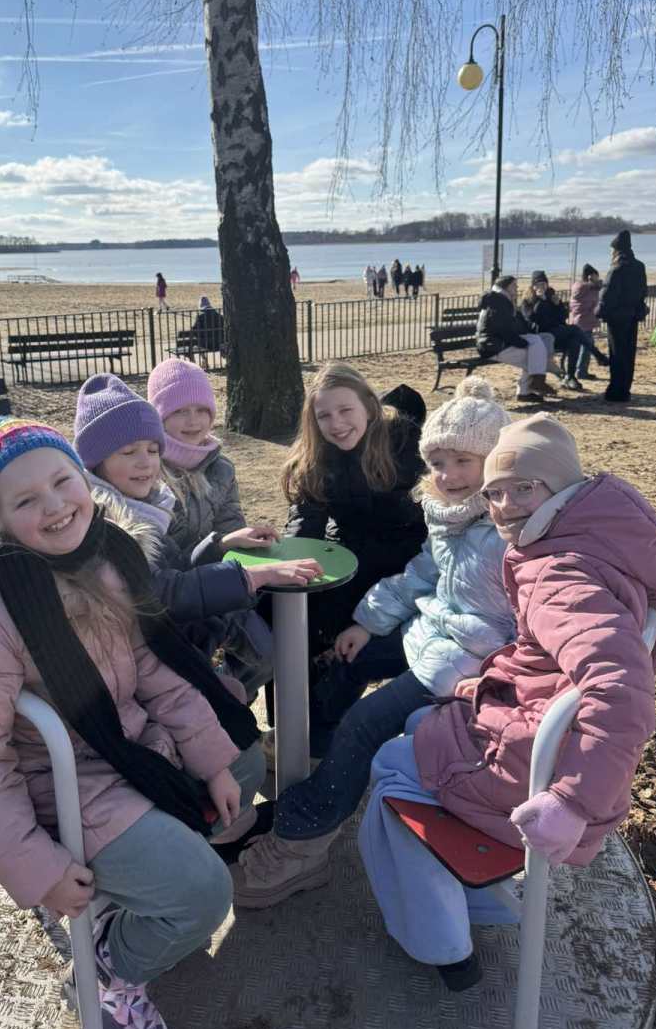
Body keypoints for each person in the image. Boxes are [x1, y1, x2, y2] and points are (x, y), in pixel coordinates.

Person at [0, 417, 269, 1029]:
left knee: (242, 763)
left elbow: (152, 666)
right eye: (26, 500)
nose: (55, 505)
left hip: (129, 748)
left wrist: (213, 760)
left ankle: (140, 894)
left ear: (84, 480)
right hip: (64, 785)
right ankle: (108, 965)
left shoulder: (105, 560)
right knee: (202, 893)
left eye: (63, 481)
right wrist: (42, 872)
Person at [358, 413, 656, 992]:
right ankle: (478, 896)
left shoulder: (558, 574)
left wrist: (571, 799)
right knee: (419, 720)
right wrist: (633, 658)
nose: (506, 506)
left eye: (523, 488)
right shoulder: (614, 532)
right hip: (538, 721)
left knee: (390, 767)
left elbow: (617, 688)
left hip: (539, 765)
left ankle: (443, 942)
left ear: (559, 486)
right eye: (494, 492)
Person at [231, 378, 516, 909]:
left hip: (470, 660)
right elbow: (422, 574)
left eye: (463, 462)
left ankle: (302, 843)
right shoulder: (452, 516)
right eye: (439, 463)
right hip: (430, 630)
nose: (448, 475)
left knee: (365, 724)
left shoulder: (513, 532)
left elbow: (532, 615)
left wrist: (510, 671)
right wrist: (365, 623)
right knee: (347, 655)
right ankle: (316, 745)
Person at [74, 373, 321, 698]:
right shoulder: (110, 523)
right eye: (129, 452)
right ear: (97, 462)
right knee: (248, 669)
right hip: (147, 659)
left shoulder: (146, 506)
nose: (145, 463)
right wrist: (251, 577)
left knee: (265, 653)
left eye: (152, 450)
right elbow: (163, 591)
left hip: (182, 626)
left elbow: (177, 566)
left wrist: (220, 544)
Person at [278, 363, 428, 752]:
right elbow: (305, 523)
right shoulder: (316, 458)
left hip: (404, 564)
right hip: (349, 558)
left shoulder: (403, 442)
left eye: (345, 410)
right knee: (293, 612)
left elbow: (433, 508)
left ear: (369, 406)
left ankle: (323, 730)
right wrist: (289, 568)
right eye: (324, 415)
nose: (337, 424)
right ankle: (291, 727)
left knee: (352, 647)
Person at [148, 357, 278, 698]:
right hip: (175, 599)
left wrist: (245, 541)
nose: (193, 421)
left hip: (220, 582)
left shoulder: (221, 469)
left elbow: (231, 523)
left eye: (201, 410)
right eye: (180, 411)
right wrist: (221, 544)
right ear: (159, 416)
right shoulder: (149, 473)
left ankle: (231, 701)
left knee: (267, 656)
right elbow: (165, 562)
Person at [476, 274, 556, 403]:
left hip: (496, 343)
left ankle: (536, 383)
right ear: (506, 287)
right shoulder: (499, 303)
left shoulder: (503, 300)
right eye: (514, 285)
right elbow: (503, 329)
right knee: (534, 355)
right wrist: (521, 342)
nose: (517, 287)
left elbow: (515, 325)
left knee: (535, 345)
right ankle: (529, 389)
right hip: (492, 347)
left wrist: (525, 337)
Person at [597, 230, 648, 403]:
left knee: (617, 353)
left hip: (617, 317)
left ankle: (616, 390)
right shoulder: (639, 266)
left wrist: (600, 312)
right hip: (633, 315)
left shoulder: (617, 269)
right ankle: (625, 389)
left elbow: (608, 295)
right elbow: (643, 291)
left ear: (616, 250)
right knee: (628, 353)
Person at [521, 272, 585, 391]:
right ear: (533, 286)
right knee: (575, 331)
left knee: (574, 341)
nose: (542, 287)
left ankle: (570, 376)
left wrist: (558, 305)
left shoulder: (551, 297)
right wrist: (540, 300)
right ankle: (564, 375)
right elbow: (532, 318)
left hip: (556, 335)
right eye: (538, 284)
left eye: (544, 284)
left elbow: (563, 317)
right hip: (540, 338)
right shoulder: (527, 301)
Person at [569, 264, 609, 380]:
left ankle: (581, 370)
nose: (598, 278)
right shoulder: (587, 288)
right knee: (587, 347)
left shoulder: (578, 287)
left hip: (578, 320)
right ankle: (581, 371)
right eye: (596, 276)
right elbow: (598, 291)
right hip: (584, 321)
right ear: (590, 276)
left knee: (584, 346)